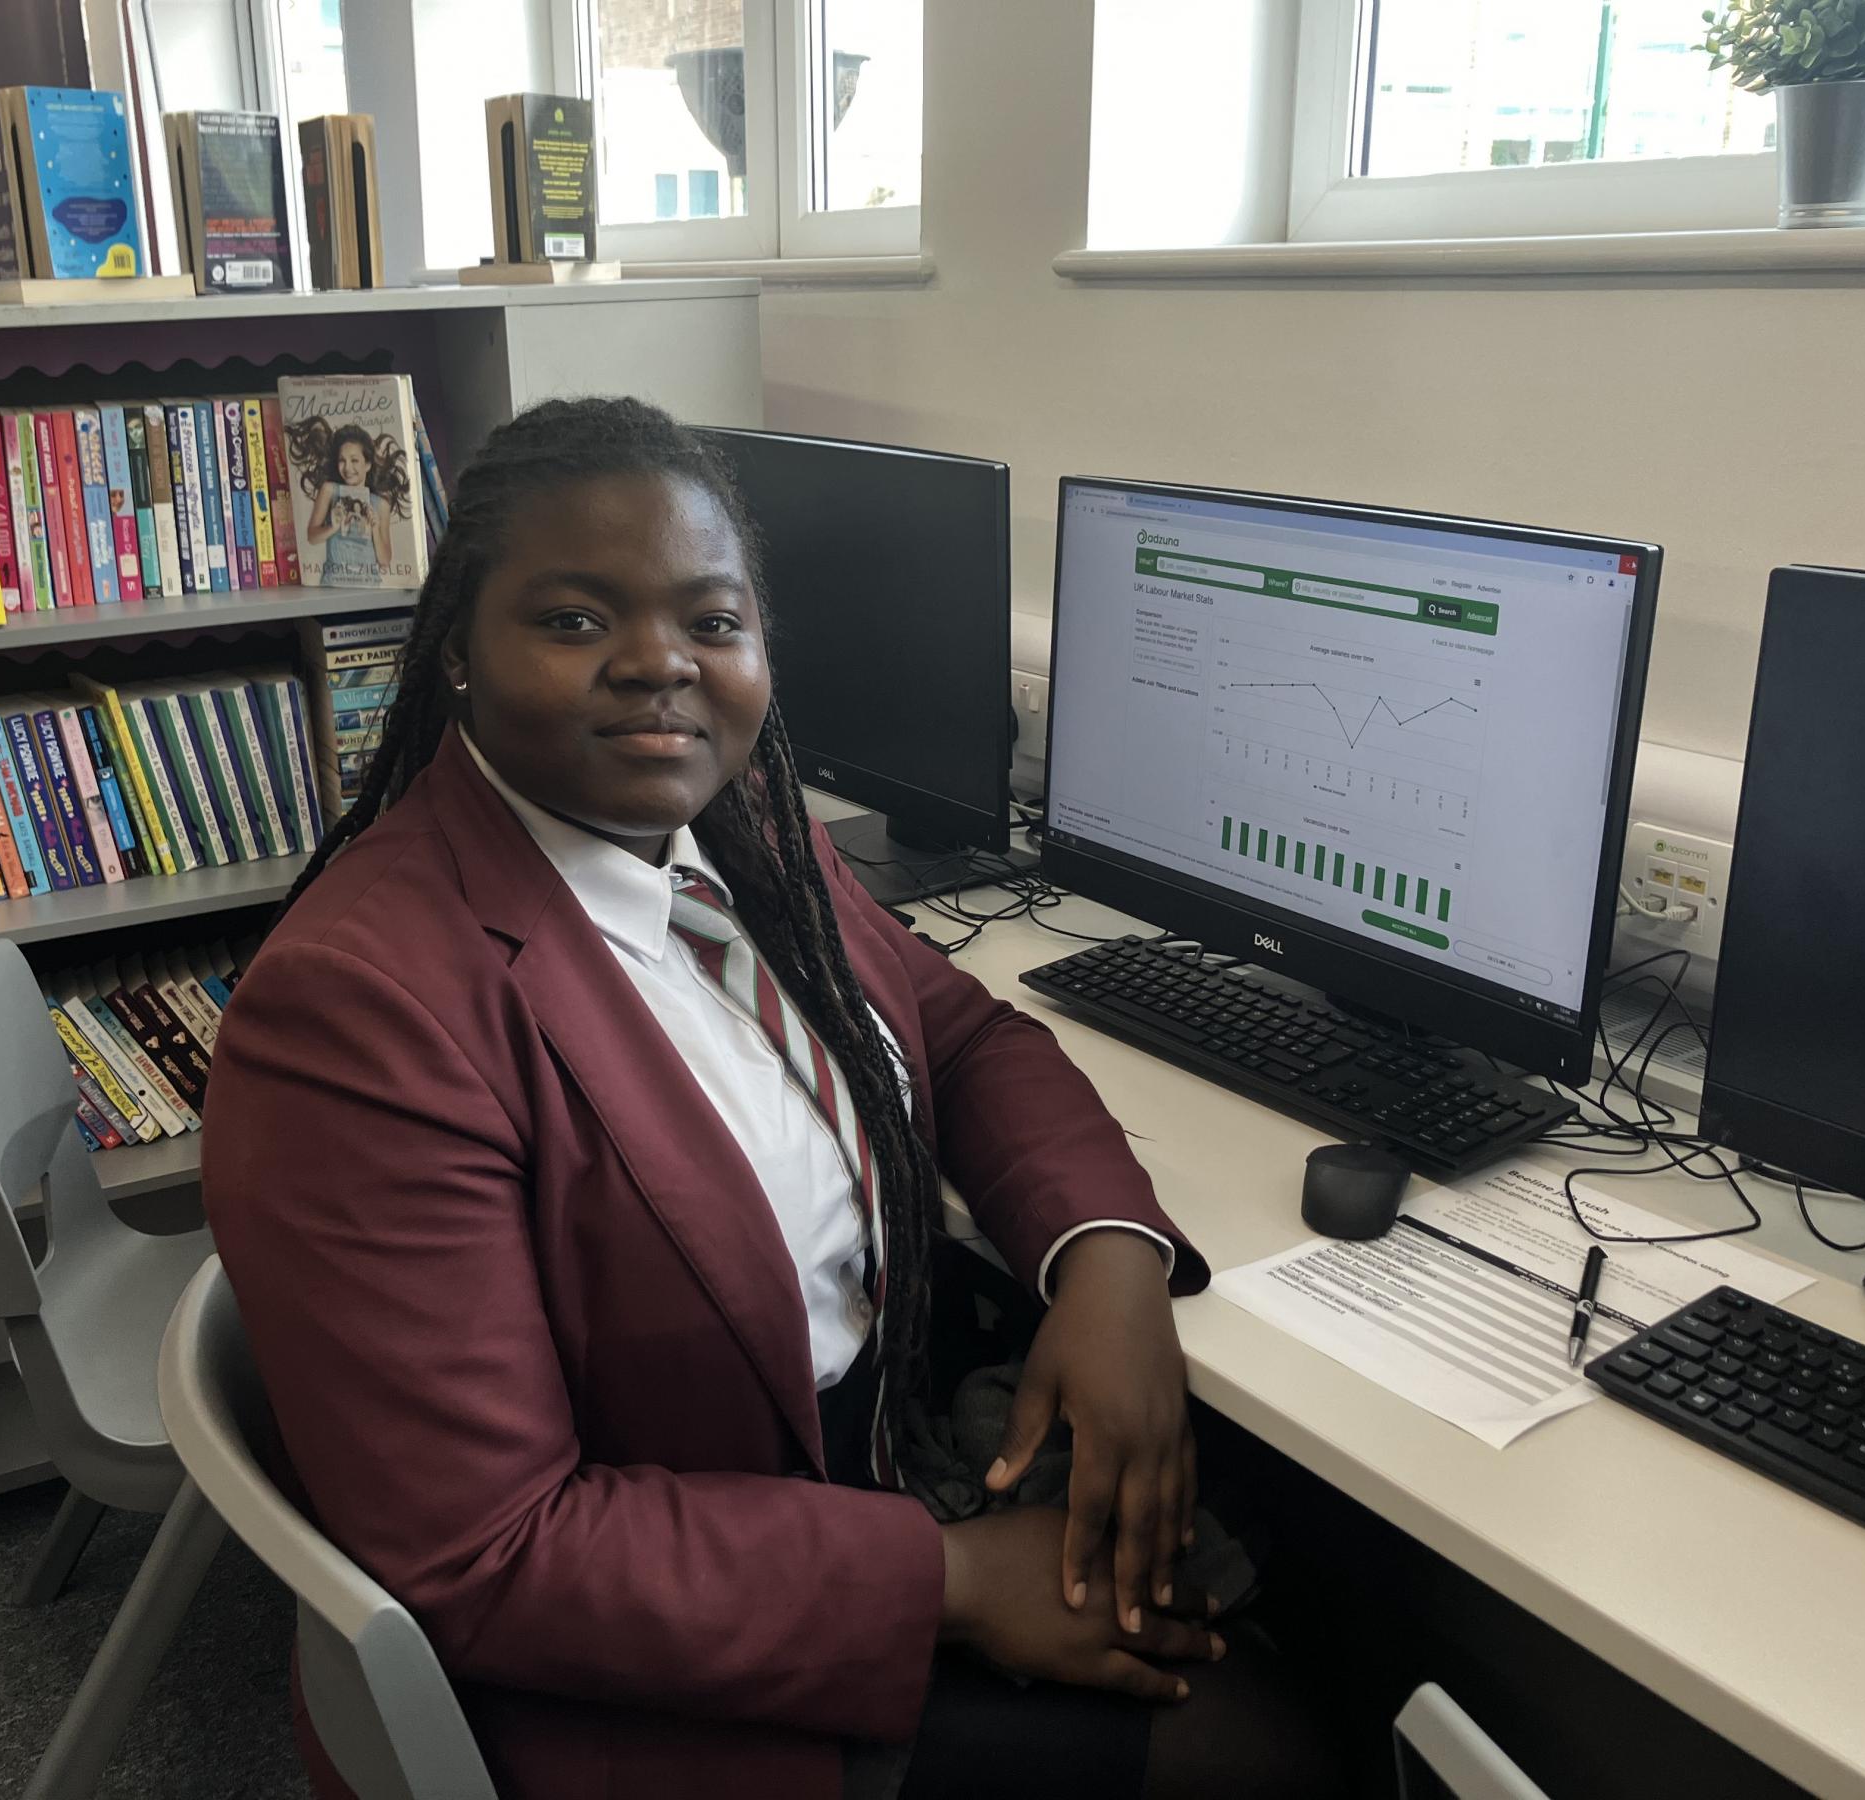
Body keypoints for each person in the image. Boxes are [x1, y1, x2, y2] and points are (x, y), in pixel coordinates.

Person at [204, 398, 1342, 1800]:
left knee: (1301, 1581)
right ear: (455, 654)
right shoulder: (363, 1011)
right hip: (653, 1671)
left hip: (855, 1470)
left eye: (714, 622)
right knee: (1269, 1745)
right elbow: (491, 1552)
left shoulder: (743, 836)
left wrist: (1105, 1261)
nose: (658, 666)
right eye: (572, 620)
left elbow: (966, 1036)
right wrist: (949, 1582)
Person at [304, 423, 402, 580]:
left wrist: (375, 530)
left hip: (368, 584)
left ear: (368, 464)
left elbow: (384, 561)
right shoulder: (329, 490)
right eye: (342, 460)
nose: (347, 468)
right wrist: (332, 527)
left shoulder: (381, 504)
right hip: (334, 582)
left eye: (354, 460)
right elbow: (312, 537)